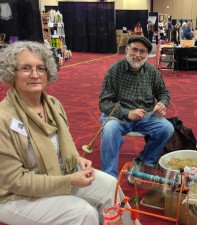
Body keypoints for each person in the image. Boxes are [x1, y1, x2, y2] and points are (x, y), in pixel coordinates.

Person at [0, 41, 138, 225]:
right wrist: (69, 181)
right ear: (12, 73)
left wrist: (76, 158)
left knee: (110, 187)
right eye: (26, 68)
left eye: (41, 68)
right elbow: (15, 181)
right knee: (82, 213)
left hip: (60, 174)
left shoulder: (53, 104)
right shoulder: (4, 118)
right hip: (17, 196)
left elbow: (65, 142)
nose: (35, 74)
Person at [99, 35, 174, 179]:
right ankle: (109, 178)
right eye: (134, 50)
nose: (138, 55)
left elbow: (163, 92)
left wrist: (162, 103)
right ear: (127, 50)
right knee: (109, 130)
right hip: (119, 116)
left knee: (167, 128)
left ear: (147, 54)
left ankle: (145, 160)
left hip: (145, 116)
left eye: (142, 51)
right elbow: (104, 102)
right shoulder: (115, 70)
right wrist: (127, 113)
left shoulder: (151, 71)